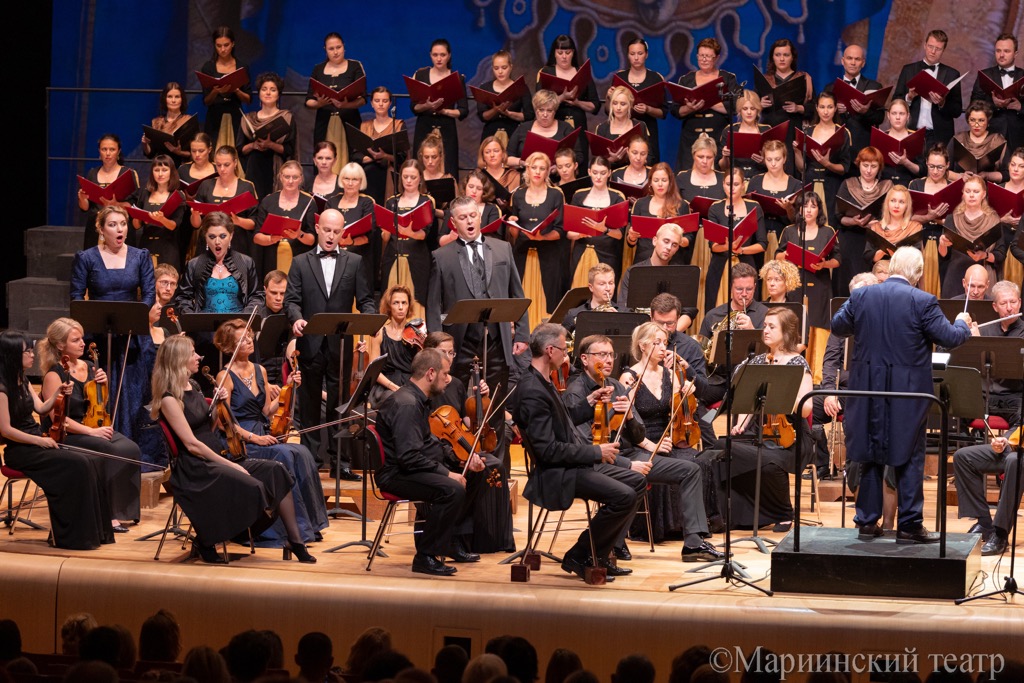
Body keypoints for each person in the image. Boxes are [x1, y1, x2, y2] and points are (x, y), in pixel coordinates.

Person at [831, 246, 976, 543]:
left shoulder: (862, 295)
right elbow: (950, 337)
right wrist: (963, 323)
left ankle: (867, 523)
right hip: (908, 394)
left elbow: (838, 326)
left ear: (893, 266)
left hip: (866, 388)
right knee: (909, 456)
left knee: (869, 454)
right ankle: (909, 525)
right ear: (919, 275)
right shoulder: (923, 301)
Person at [152, 336, 314, 564]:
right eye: (192, 353)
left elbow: (208, 428)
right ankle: (206, 540)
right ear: (178, 359)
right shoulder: (169, 399)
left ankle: (295, 541)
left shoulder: (195, 386)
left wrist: (219, 407)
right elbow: (192, 444)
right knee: (253, 486)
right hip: (196, 468)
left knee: (278, 472)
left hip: (216, 457)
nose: (198, 357)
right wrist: (230, 465)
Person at [510, 323, 640, 581]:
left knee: (636, 481)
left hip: (569, 464)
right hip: (556, 473)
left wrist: (589, 404)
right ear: (549, 350)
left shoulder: (543, 381)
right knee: (623, 497)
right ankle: (582, 554)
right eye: (563, 348)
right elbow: (547, 450)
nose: (566, 355)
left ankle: (597, 554)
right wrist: (595, 452)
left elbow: (561, 420)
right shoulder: (532, 390)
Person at [427, 195, 529, 478]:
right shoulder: (441, 256)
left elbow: (516, 293)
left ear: (480, 216)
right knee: (459, 413)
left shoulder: (503, 249)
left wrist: (521, 333)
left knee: (495, 413)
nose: (469, 221)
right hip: (458, 347)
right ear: (454, 222)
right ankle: (462, 472)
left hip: (497, 344)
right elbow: (433, 305)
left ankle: (496, 478)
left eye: (473, 215)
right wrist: (437, 349)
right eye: (463, 217)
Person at [593, 328, 720, 556]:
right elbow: (628, 426)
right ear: (642, 346)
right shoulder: (629, 378)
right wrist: (651, 446)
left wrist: (686, 393)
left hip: (666, 441)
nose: (663, 348)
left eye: (665, 343)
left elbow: (680, 414)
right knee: (687, 469)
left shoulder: (669, 374)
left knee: (698, 462)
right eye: (657, 343)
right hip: (639, 444)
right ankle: (621, 539)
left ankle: (691, 535)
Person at [211, 319, 328, 547]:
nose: (249, 340)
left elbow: (265, 410)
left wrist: (288, 388)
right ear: (229, 346)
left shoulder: (260, 370)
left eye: (249, 336)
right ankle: (288, 530)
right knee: (283, 455)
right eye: (242, 339)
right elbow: (226, 424)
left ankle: (309, 526)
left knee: (302, 452)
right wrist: (255, 438)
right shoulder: (224, 376)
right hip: (241, 439)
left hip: (262, 431)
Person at [375, 348, 486, 576]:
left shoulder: (418, 400)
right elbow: (409, 457)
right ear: (431, 373)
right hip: (397, 475)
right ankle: (425, 555)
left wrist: (458, 459)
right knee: (452, 489)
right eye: (445, 373)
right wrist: (447, 474)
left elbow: (429, 444)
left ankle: (449, 539)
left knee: (473, 474)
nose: (449, 379)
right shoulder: (407, 404)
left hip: (411, 467)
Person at [0, 330, 114, 550]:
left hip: (36, 442)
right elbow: (5, 430)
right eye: (28, 351)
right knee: (77, 464)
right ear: (12, 354)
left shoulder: (21, 379)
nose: (33, 355)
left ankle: (94, 534)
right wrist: (39, 441)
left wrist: (58, 394)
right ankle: (71, 537)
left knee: (87, 461)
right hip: (21, 451)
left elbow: (41, 407)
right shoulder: (2, 389)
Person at [285, 208, 375, 473]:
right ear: (317, 228)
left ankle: (340, 463)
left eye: (337, 231)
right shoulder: (301, 262)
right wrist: (296, 319)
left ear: (343, 232)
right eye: (327, 230)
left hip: (341, 344)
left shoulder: (354, 262)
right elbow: (292, 300)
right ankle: (310, 462)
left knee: (340, 405)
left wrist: (369, 320)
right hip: (309, 342)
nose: (331, 236)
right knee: (309, 404)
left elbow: (366, 300)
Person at [38, 318, 141, 533]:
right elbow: (58, 419)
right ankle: (109, 515)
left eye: (82, 338)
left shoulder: (90, 366)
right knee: (110, 449)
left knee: (130, 448)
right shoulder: (53, 375)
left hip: (92, 426)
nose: (83, 343)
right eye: (75, 340)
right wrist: (91, 432)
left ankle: (124, 511)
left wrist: (103, 385)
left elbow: (100, 403)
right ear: (60, 345)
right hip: (68, 433)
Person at [720, 307, 814, 530]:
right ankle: (742, 514)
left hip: (790, 437)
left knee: (770, 461)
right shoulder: (758, 361)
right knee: (722, 447)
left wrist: (782, 397)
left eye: (772, 326)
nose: (766, 330)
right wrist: (741, 425)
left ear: (787, 331)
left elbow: (807, 408)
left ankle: (783, 511)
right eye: (765, 325)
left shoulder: (798, 363)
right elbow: (747, 401)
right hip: (759, 432)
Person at [71, 205, 157, 448]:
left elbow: (149, 293)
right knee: (99, 392)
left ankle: (132, 446)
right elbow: (77, 297)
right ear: (100, 229)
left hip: (131, 336)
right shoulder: (86, 258)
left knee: (134, 393)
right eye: (112, 224)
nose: (120, 229)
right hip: (98, 336)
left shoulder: (140, 256)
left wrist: (133, 316)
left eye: (123, 224)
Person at [421, 332, 513, 554]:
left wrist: (480, 401)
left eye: (452, 352)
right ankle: (459, 537)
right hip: (438, 450)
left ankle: (489, 538)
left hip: (458, 444)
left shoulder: (457, 385)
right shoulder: (426, 385)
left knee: (496, 465)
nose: (450, 357)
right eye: (444, 352)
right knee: (479, 470)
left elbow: (467, 423)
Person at [778, 191, 840, 377]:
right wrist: (789, 256)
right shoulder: (789, 230)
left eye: (813, 206)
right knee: (794, 325)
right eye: (805, 206)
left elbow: (837, 259)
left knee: (819, 326)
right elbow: (777, 255)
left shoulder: (827, 231)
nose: (809, 210)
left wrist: (824, 264)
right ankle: (790, 371)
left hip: (820, 285)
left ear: (819, 210)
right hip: (796, 285)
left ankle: (818, 376)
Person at [507, 151, 566, 327]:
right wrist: (512, 224)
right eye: (534, 168)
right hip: (522, 254)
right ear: (528, 170)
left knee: (547, 301)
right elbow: (514, 235)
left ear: (548, 172)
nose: (538, 172)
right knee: (521, 297)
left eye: (542, 168)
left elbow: (560, 230)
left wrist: (543, 237)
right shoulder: (517, 194)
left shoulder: (556, 194)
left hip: (548, 256)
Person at [698, 262, 768, 406]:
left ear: (755, 287)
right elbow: (701, 348)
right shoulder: (713, 315)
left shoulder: (765, 314)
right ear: (730, 287)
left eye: (749, 289)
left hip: (751, 379)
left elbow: (772, 350)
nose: (744, 294)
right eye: (739, 289)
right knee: (694, 396)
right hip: (718, 379)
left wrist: (752, 331)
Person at [954, 423, 1024, 557]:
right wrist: (1006, 439)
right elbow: (1018, 422)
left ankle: (1000, 534)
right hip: (1018, 448)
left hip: (1017, 457)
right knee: (963, 457)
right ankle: (985, 523)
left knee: (1014, 461)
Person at [704, 167, 767, 314]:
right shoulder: (716, 208)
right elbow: (712, 246)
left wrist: (742, 250)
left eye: (736, 184)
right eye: (728, 184)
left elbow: (762, 244)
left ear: (743, 185)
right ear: (723, 184)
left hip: (746, 265)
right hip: (720, 267)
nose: (732, 188)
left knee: (748, 309)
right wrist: (726, 246)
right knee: (717, 309)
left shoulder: (754, 207)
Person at [175, 212, 263, 315]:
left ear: (231, 236)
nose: (217, 241)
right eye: (212, 237)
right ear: (205, 237)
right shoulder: (194, 264)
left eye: (222, 236)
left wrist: (245, 318)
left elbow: (256, 296)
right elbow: (183, 298)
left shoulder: (246, 262)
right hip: (204, 327)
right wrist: (193, 319)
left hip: (237, 327)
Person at [673, 37, 740, 171]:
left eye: (708, 56)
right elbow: (675, 111)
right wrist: (689, 108)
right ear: (697, 56)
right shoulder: (686, 79)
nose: (704, 59)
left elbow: (735, 107)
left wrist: (709, 102)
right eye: (701, 55)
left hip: (718, 137)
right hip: (690, 139)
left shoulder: (727, 78)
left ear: (716, 58)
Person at [618, 222, 698, 331]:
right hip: (640, 334)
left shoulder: (682, 274)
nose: (669, 247)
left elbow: (689, 311)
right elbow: (624, 309)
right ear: (655, 241)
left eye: (674, 245)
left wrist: (669, 334)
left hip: (672, 334)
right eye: (666, 241)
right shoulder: (633, 272)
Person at [893, 29, 964, 149]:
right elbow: (895, 101)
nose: (933, 51)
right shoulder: (908, 70)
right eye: (930, 47)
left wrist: (942, 103)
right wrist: (909, 97)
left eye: (938, 49)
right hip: (910, 131)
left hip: (939, 136)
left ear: (943, 51)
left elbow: (957, 111)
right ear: (925, 46)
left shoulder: (952, 74)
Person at [834, 146, 890, 294]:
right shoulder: (847, 184)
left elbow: (890, 216)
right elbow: (839, 216)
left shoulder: (886, 186)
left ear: (879, 167)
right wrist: (854, 221)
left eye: (873, 166)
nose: (868, 170)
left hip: (873, 241)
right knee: (846, 281)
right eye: (865, 165)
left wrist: (876, 224)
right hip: (850, 239)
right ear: (859, 164)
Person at [304, 32, 366, 168]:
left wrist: (346, 104)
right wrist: (319, 103)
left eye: (338, 47)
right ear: (325, 50)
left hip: (349, 121)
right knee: (323, 157)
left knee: (351, 159)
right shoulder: (318, 69)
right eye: (331, 49)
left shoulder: (354, 66)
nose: (335, 52)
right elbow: (308, 100)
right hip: (324, 121)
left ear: (344, 47)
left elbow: (363, 99)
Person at [938, 175, 1004, 298]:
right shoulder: (952, 218)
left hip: (983, 277)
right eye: (968, 191)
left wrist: (984, 255)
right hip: (956, 276)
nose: (971, 195)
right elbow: (944, 256)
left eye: (976, 191)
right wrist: (942, 244)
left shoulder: (994, 220)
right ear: (963, 194)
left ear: (983, 194)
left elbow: (1000, 255)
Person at [381, 159, 435, 310]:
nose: (409, 181)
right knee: (390, 297)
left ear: (420, 179)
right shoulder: (392, 202)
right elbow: (386, 238)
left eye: (413, 177)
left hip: (417, 258)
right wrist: (385, 232)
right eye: (405, 177)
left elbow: (425, 234)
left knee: (416, 299)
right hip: (393, 256)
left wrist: (408, 232)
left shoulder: (426, 202)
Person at [410, 39, 468, 177]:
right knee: (421, 166)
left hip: (447, 128)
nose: (439, 58)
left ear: (449, 55)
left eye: (442, 55)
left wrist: (445, 111)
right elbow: (414, 107)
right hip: (424, 125)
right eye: (435, 55)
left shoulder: (457, 78)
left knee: (448, 168)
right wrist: (427, 106)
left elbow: (463, 110)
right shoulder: (421, 75)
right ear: (430, 55)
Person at [793, 91, 851, 227]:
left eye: (830, 107)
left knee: (831, 223)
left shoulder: (842, 132)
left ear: (836, 108)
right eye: (822, 107)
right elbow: (802, 168)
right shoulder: (807, 132)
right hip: (810, 181)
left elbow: (845, 168)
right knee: (808, 222)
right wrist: (796, 152)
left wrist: (827, 164)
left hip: (832, 184)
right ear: (817, 108)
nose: (826, 111)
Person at [189, 145, 258, 258]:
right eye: (218, 165)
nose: (222, 169)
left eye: (226, 165)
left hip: (237, 244)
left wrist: (238, 220)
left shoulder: (246, 186)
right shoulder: (206, 185)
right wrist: (195, 215)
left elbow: (254, 223)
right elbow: (196, 225)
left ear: (235, 163)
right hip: (208, 245)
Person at [539, 34, 599, 165]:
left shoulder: (582, 72)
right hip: (554, 124)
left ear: (573, 53)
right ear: (554, 54)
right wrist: (561, 98)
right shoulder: (546, 72)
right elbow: (538, 104)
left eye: (568, 52)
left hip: (578, 124)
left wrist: (577, 103)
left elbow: (595, 106)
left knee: (579, 160)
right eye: (560, 52)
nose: (564, 56)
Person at [567, 155, 627, 283]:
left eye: (603, 173)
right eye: (595, 173)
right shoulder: (579, 195)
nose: (598, 177)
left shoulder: (617, 198)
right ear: (589, 172)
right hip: (581, 252)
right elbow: (569, 233)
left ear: (609, 173)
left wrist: (604, 229)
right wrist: (579, 234)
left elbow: (620, 235)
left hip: (607, 255)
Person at [239, 72, 296, 201]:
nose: (268, 93)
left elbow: (290, 150)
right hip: (253, 168)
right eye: (264, 89)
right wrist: (254, 145)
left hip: (276, 168)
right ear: (259, 93)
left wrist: (270, 145)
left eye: (273, 90)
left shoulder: (286, 118)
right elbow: (239, 149)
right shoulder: (248, 119)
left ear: (278, 94)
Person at [253, 160, 316, 278]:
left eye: (295, 177)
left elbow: (312, 239)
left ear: (301, 178)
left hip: (299, 261)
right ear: (280, 177)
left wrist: (299, 234)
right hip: (271, 261)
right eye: (287, 176)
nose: (290, 181)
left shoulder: (308, 202)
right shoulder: (268, 201)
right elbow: (257, 237)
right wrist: (271, 239)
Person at [76, 134, 138, 251]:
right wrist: (82, 199)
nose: (108, 153)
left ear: (118, 151)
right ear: (99, 151)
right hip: (95, 229)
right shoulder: (92, 173)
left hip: (120, 229)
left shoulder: (128, 174)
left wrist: (116, 205)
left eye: (112, 149)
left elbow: (135, 205)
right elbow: (85, 208)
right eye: (104, 149)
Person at [610, 38, 665, 164]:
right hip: (622, 129)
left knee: (648, 163)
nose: (636, 58)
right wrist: (610, 97)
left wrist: (648, 109)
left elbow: (663, 112)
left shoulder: (655, 78)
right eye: (632, 54)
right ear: (627, 55)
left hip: (648, 129)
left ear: (646, 54)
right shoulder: (620, 77)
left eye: (640, 54)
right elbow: (608, 110)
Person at [759, 38, 814, 161]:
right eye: (778, 55)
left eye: (786, 55)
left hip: (794, 131)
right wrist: (760, 104)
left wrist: (799, 108)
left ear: (792, 57)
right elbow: (751, 107)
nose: (782, 59)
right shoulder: (765, 80)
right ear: (772, 57)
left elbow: (814, 108)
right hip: (771, 130)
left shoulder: (804, 78)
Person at [367, 284, 420, 408]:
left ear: (408, 306)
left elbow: (421, 367)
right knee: (397, 400)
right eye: (396, 303)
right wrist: (394, 387)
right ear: (389, 306)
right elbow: (374, 371)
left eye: (404, 303)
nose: (400, 307)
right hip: (385, 386)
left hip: (410, 382)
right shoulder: (379, 333)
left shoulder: (416, 332)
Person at [827, 45, 886, 156]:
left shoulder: (874, 86)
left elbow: (880, 117)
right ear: (843, 61)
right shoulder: (830, 88)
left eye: (857, 59)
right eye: (849, 58)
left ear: (863, 63)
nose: (853, 63)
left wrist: (865, 112)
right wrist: (834, 111)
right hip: (836, 150)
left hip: (863, 150)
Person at [971, 34, 1024, 158]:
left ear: (1015, 53)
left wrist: (1019, 107)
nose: (1001, 55)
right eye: (998, 51)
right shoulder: (984, 75)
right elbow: (973, 107)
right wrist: (993, 105)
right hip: (989, 135)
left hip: (1019, 137)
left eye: (1006, 51)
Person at [626, 161, 690, 265]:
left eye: (664, 180)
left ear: (670, 182)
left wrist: (677, 240)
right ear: (650, 182)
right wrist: (631, 237)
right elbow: (631, 242)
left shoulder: (682, 205)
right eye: (656, 180)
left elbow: (689, 238)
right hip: (644, 260)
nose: (660, 184)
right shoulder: (640, 204)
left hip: (672, 261)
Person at [505, 89, 588, 169]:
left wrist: (559, 167)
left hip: (557, 180)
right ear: (535, 110)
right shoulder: (523, 128)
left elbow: (579, 156)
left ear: (555, 111)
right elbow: (507, 158)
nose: (545, 114)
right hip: (527, 178)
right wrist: (521, 162)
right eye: (541, 110)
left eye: (549, 110)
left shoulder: (566, 128)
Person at [199, 26, 252, 148]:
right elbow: (206, 101)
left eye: (226, 45)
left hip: (235, 115)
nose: (223, 49)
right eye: (219, 46)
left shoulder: (241, 66)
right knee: (213, 151)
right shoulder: (208, 67)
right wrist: (216, 91)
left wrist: (236, 90)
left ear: (233, 44)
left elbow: (248, 99)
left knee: (236, 151)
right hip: (214, 116)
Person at [130, 155, 187, 270]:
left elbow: (174, 225)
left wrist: (162, 219)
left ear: (171, 172)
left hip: (168, 247)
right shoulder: (145, 193)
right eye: (156, 170)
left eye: (164, 170)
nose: (160, 174)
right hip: (146, 245)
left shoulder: (177, 195)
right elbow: (136, 225)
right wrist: (139, 217)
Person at [978, 280, 1024, 423]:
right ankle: (968, 444)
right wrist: (973, 341)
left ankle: (1004, 444)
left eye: (1013, 302)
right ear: (995, 306)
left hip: (1013, 396)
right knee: (955, 410)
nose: (1009, 308)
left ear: (1020, 303)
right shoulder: (984, 330)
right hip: (984, 396)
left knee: (1020, 420)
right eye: (1003, 304)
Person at [675, 134, 725, 264]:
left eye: (709, 157)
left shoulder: (723, 178)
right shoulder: (682, 178)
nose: (704, 161)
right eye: (700, 157)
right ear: (693, 156)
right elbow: (674, 205)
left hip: (716, 236)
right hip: (688, 235)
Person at [327, 162, 378, 289]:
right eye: (346, 178)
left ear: (361, 182)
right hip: (333, 260)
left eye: (354, 179)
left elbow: (370, 235)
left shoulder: (366, 202)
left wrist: (351, 242)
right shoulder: (332, 201)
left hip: (359, 261)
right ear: (341, 180)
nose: (350, 183)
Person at [475, 50, 534, 146]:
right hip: (490, 134)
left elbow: (529, 115)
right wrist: (495, 110)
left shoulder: (520, 87)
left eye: (504, 67)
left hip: (514, 132)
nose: (500, 71)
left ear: (511, 67)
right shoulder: (485, 88)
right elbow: (482, 116)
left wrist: (509, 113)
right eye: (496, 68)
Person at [358, 86, 405, 205]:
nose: (381, 104)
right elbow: (356, 155)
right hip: (368, 175)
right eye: (377, 101)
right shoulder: (364, 126)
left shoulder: (398, 125)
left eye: (384, 101)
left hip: (390, 175)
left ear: (389, 104)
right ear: (372, 103)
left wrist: (384, 156)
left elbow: (403, 156)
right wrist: (373, 157)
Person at [948, 100, 1008, 183]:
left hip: (988, 188)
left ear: (988, 121)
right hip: (961, 187)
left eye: (981, 120)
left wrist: (987, 175)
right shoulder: (957, 139)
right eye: (972, 120)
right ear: (968, 121)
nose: (976, 125)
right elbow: (943, 170)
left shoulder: (997, 140)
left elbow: (1007, 174)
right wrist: (960, 176)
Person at [865, 185, 924, 267]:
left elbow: (916, 259)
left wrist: (896, 255)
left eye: (901, 202)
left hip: (904, 275)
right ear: (887, 203)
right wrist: (881, 252)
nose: (896, 206)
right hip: (879, 275)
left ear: (907, 205)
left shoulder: (915, 228)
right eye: (893, 200)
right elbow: (867, 257)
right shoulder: (875, 227)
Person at [718, 90, 768, 179]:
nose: (749, 112)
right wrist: (725, 157)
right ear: (739, 111)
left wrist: (764, 161)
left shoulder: (766, 130)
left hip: (760, 179)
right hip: (735, 179)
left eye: (752, 109)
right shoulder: (730, 130)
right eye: (745, 109)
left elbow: (776, 162)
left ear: (757, 110)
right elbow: (722, 167)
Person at [594, 86, 647, 169]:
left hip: (635, 175)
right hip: (609, 176)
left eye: (623, 104)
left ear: (630, 106)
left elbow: (650, 157)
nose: (618, 108)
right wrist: (611, 160)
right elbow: (597, 163)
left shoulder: (640, 126)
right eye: (615, 103)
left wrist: (633, 158)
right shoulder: (602, 128)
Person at [564, 262, 621, 335]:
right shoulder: (574, 314)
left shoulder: (625, 313)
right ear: (591, 287)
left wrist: (619, 321)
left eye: (611, 283)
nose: (608, 288)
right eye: (602, 284)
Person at [880, 99, 925, 188]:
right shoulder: (881, 137)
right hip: (884, 186)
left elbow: (923, 170)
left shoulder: (917, 137)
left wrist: (905, 162)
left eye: (901, 113)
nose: (897, 117)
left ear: (907, 116)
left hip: (909, 185)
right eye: (894, 113)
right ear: (888, 115)